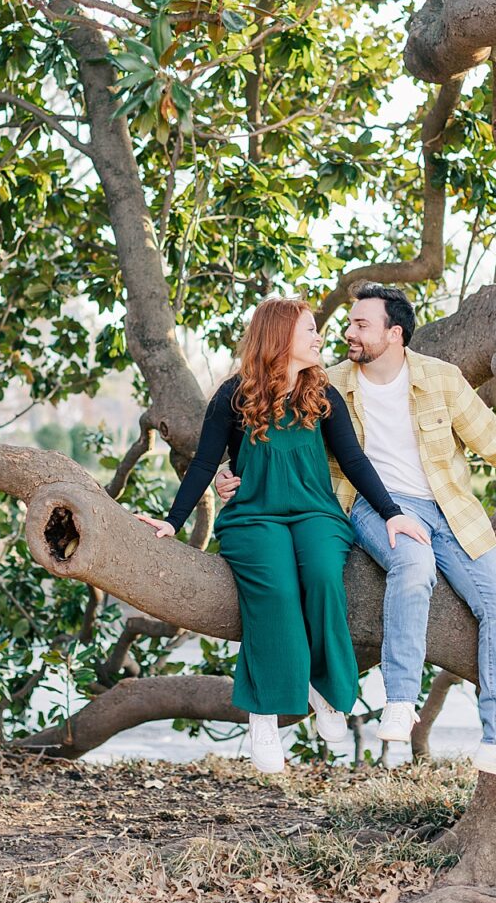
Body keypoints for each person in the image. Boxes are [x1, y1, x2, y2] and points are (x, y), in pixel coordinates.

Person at [215, 284, 496, 786]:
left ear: (394, 334)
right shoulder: (327, 383)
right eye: (347, 323)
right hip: (375, 508)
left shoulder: (441, 380)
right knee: (414, 568)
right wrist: (231, 472)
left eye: (360, 325)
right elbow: (276, 438)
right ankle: (398, 702)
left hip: (451, 509)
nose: (347, 332)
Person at [135, 297, 430, 774]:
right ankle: (264, 716)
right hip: (255, 517)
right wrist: (172, 519)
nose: (320, 338)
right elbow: (206, 463)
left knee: (322, 578)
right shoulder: (233, 396)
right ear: (280, 338)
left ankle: (328, 691)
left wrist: (392, 513)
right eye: (311, 330)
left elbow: (353, 462)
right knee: (274, 591)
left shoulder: (323, 394)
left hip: (316, 514)